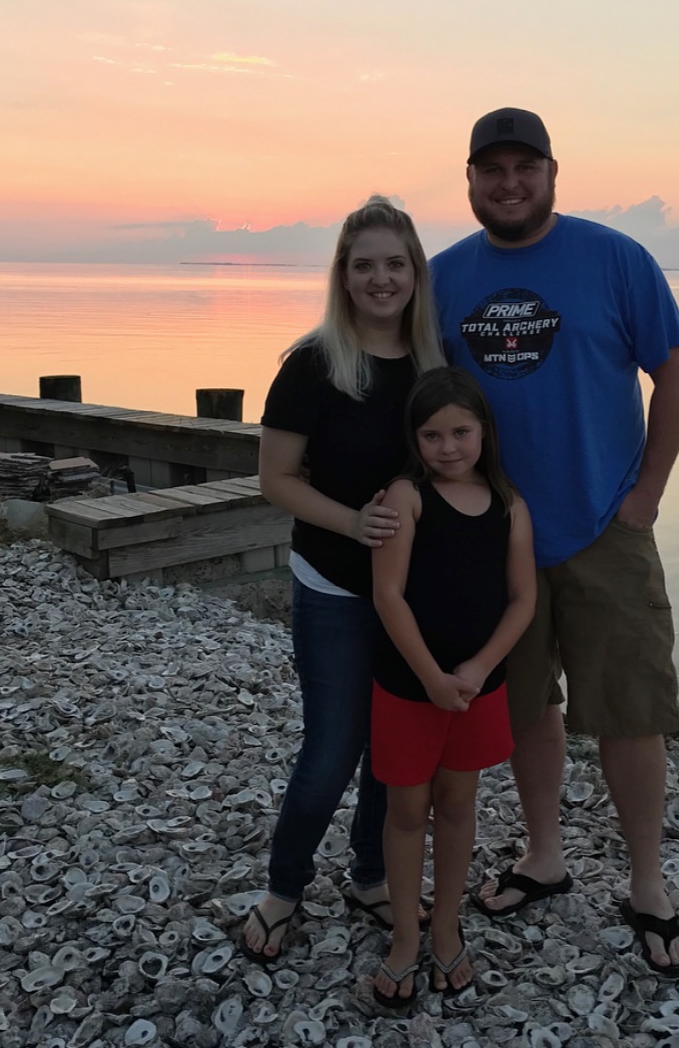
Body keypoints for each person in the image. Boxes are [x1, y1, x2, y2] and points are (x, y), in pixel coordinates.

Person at [431, 108, 679, 977]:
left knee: (630, 710)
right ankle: (544, 856)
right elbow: (415, 398)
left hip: (603, 528)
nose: (508, 183)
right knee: (524, 709)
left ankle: (649, 884)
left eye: (525, 167)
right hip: (493, 537)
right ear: (470, 180)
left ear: (553, 173)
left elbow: (676, 375)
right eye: (492, 169)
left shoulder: (616, 259)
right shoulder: (444, 277)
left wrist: (647, 496)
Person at [242, 195, 445, 964]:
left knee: (394, 750)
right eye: (365, 265)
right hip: (332, 587)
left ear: (415, 271)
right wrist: (352, 523)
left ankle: (369, 875)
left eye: (395, 263)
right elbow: (275, 479)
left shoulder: (435, 367)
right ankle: (282, 889)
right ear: (343, 275)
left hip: (415, 594)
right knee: (332, 749)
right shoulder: (313, 364)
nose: (381, 278)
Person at [369, 366, 536, 1008]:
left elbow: (522, 599)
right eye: (432, 435)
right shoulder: (406, 496)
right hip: (408, 686)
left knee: (459, 804)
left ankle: (446, 926)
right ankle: (405, 936)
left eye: (461, 432)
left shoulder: (509, 504)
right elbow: (388, 594)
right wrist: (430, 677)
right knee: (407, 810)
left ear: (484, 432)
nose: (448, 447)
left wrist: (476, 669)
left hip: (476, 687)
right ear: (414, 439)